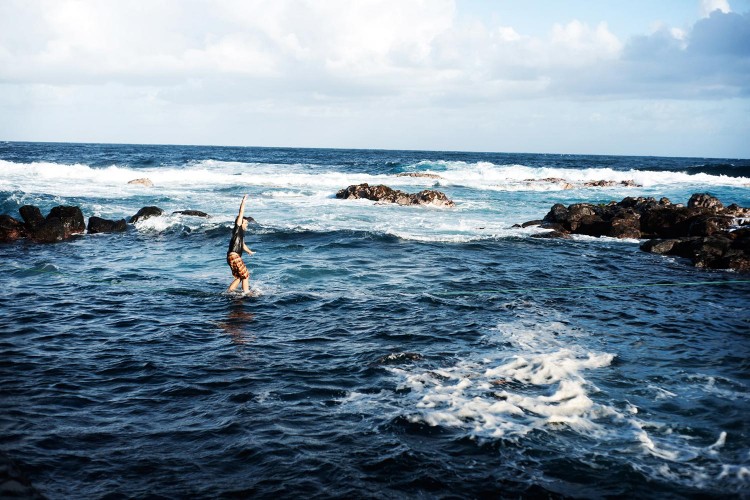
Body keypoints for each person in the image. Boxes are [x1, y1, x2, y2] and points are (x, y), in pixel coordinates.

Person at [226, 194, 255, 294]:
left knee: (239, 276)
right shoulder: (237, 228)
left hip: (231, 256)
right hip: (234, 256)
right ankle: (246, 293)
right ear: (240, 223)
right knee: (245, 275)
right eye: (245, 223)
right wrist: (244, 200)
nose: (246, 225)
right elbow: (241, 212)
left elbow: (242, 245)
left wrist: (249, 252)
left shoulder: (240, 234)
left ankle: (229, 291)